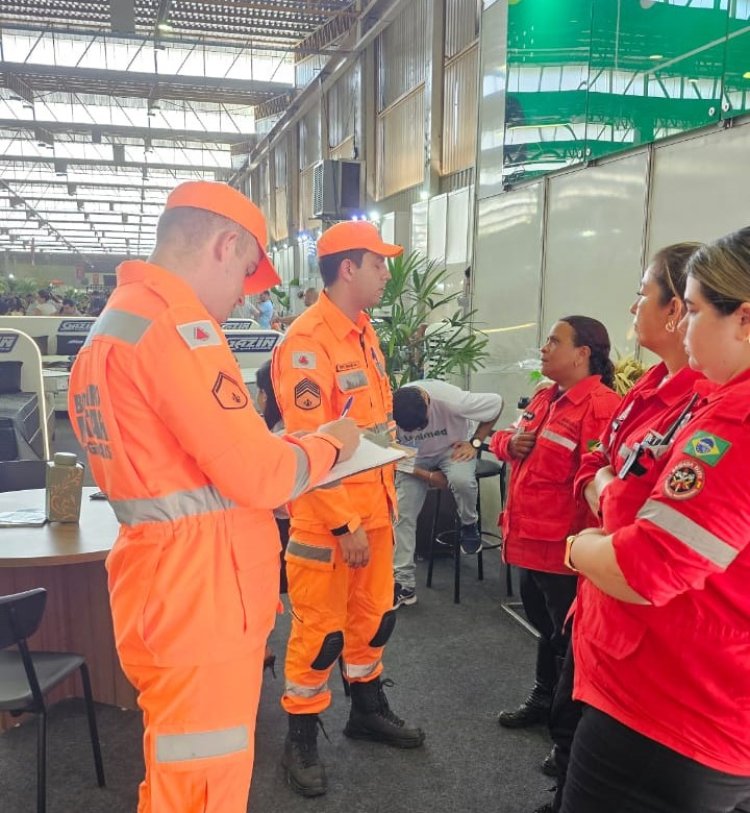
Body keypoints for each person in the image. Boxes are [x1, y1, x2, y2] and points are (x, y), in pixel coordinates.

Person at [67, 180, 359, 813]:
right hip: (201, 596)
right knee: (204, 786)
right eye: (247, 272)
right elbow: (259, 475)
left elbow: (186, 473)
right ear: (226, 245)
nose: (243, 297)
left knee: (180, 774)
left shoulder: (118, 323)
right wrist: (332, 444)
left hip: (167, 583)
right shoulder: (177, 328)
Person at [561, 230, 750, 813]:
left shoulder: (733, 424)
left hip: (672, 706)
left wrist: (577, 547)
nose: (684, 327)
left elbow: (643, 567)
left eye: (693, 310)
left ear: (743, 319)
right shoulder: (703, 398)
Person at [535, 242, 702, 813]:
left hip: (641, 624)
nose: (633, 307)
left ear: (678, 309)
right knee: (568, 721)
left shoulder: (710, 409)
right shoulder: (648, 390)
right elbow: (596, 465)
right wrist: (607, 488)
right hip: (600, 603)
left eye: (641, 294)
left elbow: (644, 526)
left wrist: (602, 505)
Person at [272, 220, 426, 799]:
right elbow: (310, 445)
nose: (387, 273)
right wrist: (343, 522)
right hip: (330, 523)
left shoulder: (364, 333)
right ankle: (300, 737)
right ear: (347, 268)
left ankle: (366, 709)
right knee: (320, 634)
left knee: (374, 619)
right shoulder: (307, 342)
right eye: (378, 263)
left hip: (376, 510)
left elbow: (368, 429)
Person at [489, 317, 620, 733]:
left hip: (563, 553)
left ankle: (569, 730)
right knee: (546, 631)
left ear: (582, 354)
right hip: (527, 543)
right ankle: (543, 698)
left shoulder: (600, 407)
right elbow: (503, 438)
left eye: (554, 341)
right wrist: (508, 444)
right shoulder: (545, 397)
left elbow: (597, 485)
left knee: (569, 639)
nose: (544, 348)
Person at [391, 380, 504, 607]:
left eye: (422, 425)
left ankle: (469, 524)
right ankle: (404, 584)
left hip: (452, 449)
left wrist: (475, 442)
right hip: (412, 458)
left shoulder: (452, 400)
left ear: (427, 402)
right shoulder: (386, 410)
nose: (418, 432)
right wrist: (428, 476)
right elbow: (389, 454)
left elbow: (497, 403)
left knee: (462, 481)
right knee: (402, 513)